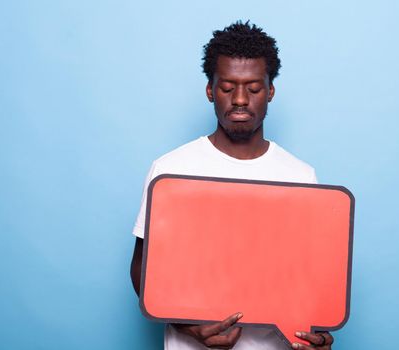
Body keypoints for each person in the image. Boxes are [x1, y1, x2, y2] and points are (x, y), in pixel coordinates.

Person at [130, 21, 334, 350]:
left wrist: (318, 332)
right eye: (227, 87)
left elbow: (311, 277)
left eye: (253, 88)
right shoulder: (170, 169)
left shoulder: (300, 176)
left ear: (270, 92)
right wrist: (189, 326)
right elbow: (142, 267)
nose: (240, 99)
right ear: (211, 90)